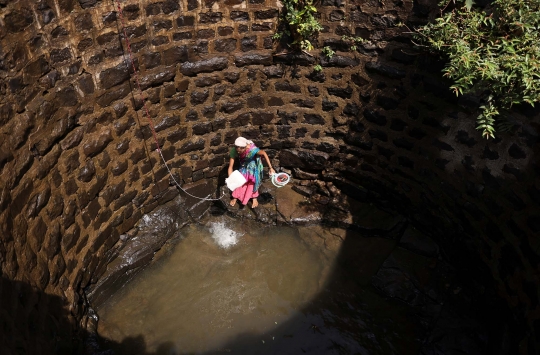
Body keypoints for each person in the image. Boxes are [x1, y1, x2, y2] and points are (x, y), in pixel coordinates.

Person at [228, 137, 275, 208]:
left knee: (253, 181)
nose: (238, 152)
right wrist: (231, 179)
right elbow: (231, 166)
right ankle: (235, 196)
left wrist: (271, 168)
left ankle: (254, 197)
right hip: (243, 166)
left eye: (240, 151)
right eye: (237, 150)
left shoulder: (252, 150)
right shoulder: (234, 151)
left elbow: (264, 153)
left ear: (245, 148)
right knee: (239, 180)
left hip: (253, 167)